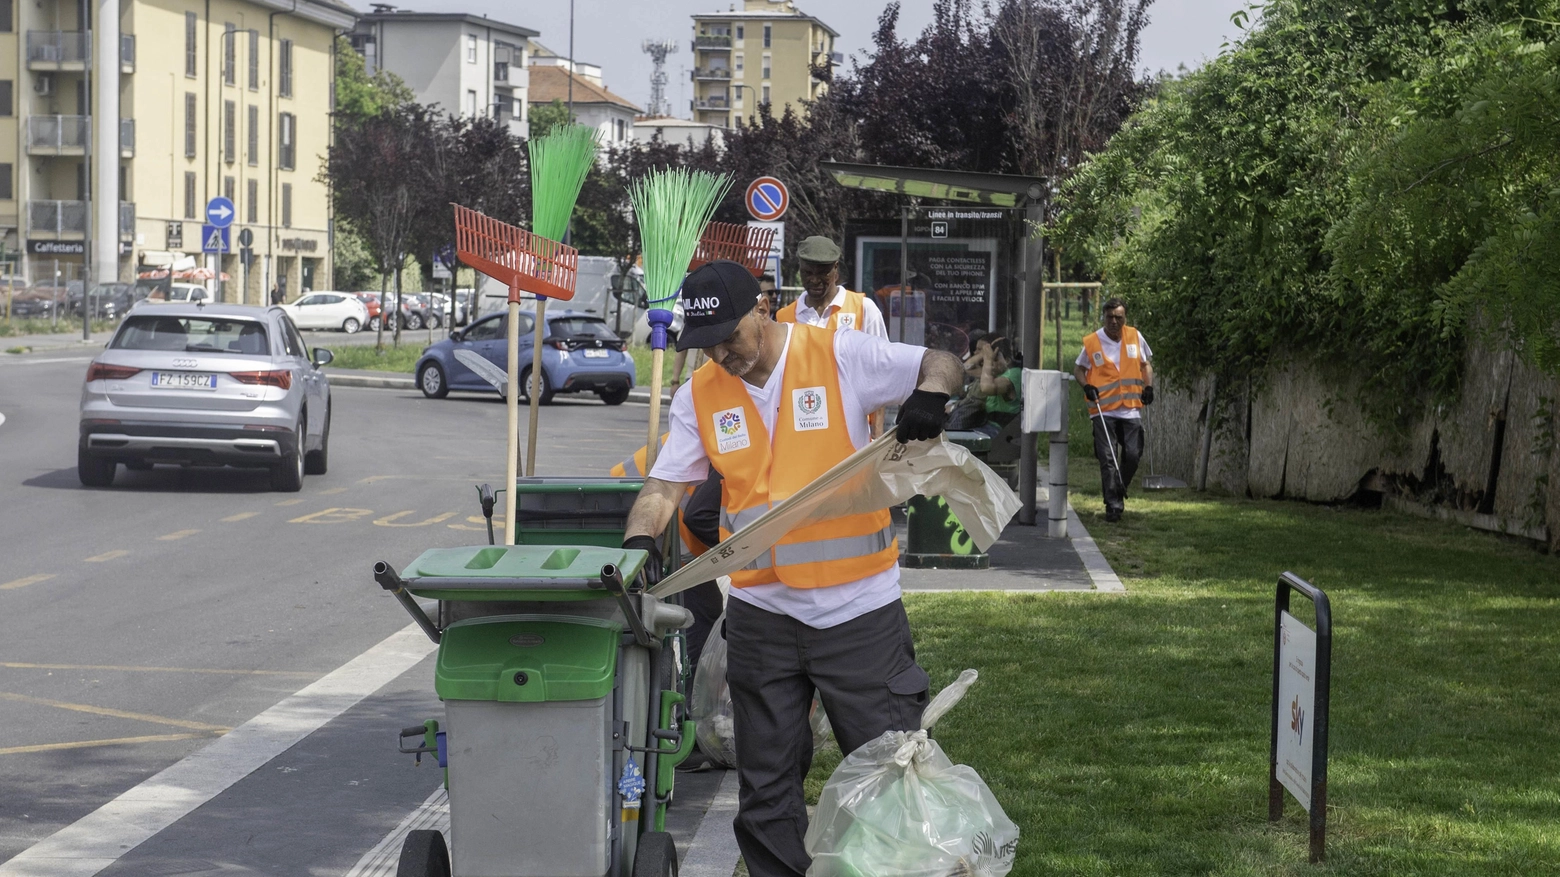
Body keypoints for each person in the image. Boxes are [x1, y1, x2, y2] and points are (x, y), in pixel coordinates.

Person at [621, 260, 963, 877]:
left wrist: (931, 396)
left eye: (731, 336)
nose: (723, 354)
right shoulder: (701, 393)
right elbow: (665, 482)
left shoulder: (837, 354)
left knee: (892, 773)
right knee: (766, 789)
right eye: (707, 345)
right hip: (763, 617)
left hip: (858, 612)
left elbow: (940, 360)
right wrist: (642, 537)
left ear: (761, 306)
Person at [1073, 297, 1155, 523]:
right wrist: (1086, 385)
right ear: (1104, 317)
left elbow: (1145, 364)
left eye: (1119, 317)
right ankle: (1114, 506)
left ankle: (1119, 487)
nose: (1114, 322)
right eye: (1110, 317)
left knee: (1132, 455)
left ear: (1125, 318)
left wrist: (1148, 387)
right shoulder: (1092, 342)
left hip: (1130, 409)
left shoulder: (1135, 336)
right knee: (1107, 458)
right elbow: (1079, 369)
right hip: (1103, 409)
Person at [777, 236, 888, 339]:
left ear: (835, 268)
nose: (815, 280)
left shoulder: (863, 309)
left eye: (823, 273)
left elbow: (879, 358)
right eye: (807, 273)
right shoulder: (784, 318)